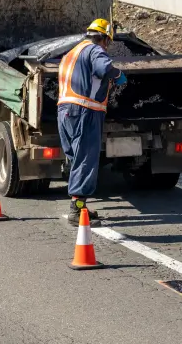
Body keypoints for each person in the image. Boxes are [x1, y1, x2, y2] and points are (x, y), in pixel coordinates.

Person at [57, 18, 127, 226]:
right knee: (87, 158)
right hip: (85, 111)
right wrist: (119, 75)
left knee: (77, 158)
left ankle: (81, 206)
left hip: (65, 111)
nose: (107, 45)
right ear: (104, 38)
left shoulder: (71, 53)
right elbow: (104, 68)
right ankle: (76, 210)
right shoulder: (95, 50)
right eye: (107, 41)